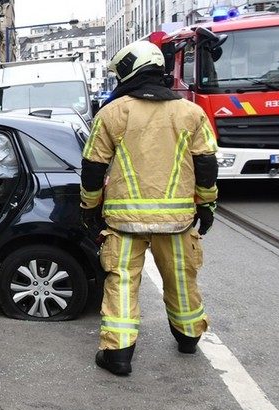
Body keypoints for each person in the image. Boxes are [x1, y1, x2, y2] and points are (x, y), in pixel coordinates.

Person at [80, 40, 218, 376]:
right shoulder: (191, 113)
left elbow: (93, 167)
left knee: (122, 282)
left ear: (129, 71)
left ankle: (118, 354)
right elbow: (206, 164)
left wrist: (89, 207)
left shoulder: (112, 113)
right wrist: (207, 204)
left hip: (124, 222)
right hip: (177, 221)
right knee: (181, 278)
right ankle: (188, 338)